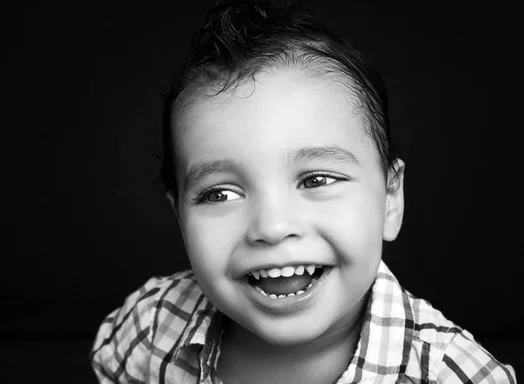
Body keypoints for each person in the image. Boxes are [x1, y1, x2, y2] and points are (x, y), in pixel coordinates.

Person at [90, 1, 517, 383]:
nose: (272, 228)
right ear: (180, 217)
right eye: (219, 194)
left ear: (390, 199)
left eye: (316, 180)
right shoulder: (150, 326)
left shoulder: (452, 373)